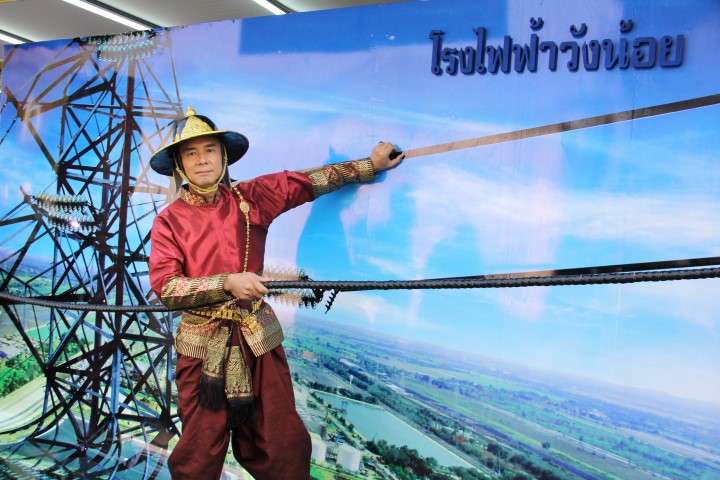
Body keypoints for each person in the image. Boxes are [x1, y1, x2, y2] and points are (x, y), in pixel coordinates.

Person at [148, 106, 403, 480]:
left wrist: (369, 166)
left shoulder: (252, 197)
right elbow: (167, 288)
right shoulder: (169, 220)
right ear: (179, 164)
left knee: (282, 443)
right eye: (191, 153)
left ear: (223, 156)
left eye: (210, 150)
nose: (202, 160)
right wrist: (226, 282)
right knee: (199, 453)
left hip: (257, 339)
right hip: (202, 350)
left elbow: (307, 182)